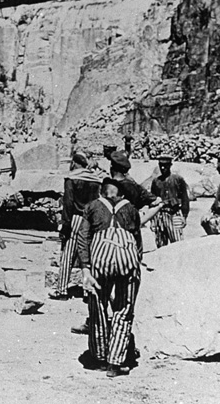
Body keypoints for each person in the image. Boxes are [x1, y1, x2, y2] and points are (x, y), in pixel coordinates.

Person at [78, 178, 142, 378]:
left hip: (100, 260)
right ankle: (116, 362)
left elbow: (83, 237)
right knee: (124, 308)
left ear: (101, 193)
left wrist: (85, 268)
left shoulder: (92, 206)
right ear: (120, 195)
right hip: (127, 260)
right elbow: (138, 241)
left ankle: (99, 358)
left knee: (98, 306)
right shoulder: (131, 208)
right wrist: (134, 264)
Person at [50, 152, 102, 300]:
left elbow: (68, 203)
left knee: (68, 254)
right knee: (87, 255)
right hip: (90, 220)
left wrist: (65, 225)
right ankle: (88, 291)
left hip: (76, 218)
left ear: (74, 163)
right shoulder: (95, 179)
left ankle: (62, 290)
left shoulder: (71, 179)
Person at [150, 155, 189, 246]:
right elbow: (152, 202)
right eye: (161, 165)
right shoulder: (156, 181)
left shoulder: (178, 179)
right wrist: (152, 220)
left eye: (166, 165)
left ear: (170, 165)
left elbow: (185, 199)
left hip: (174, 213)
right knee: (160, 244)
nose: (163, 168)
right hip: (160, 215)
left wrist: (184, 216)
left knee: (178, 243)